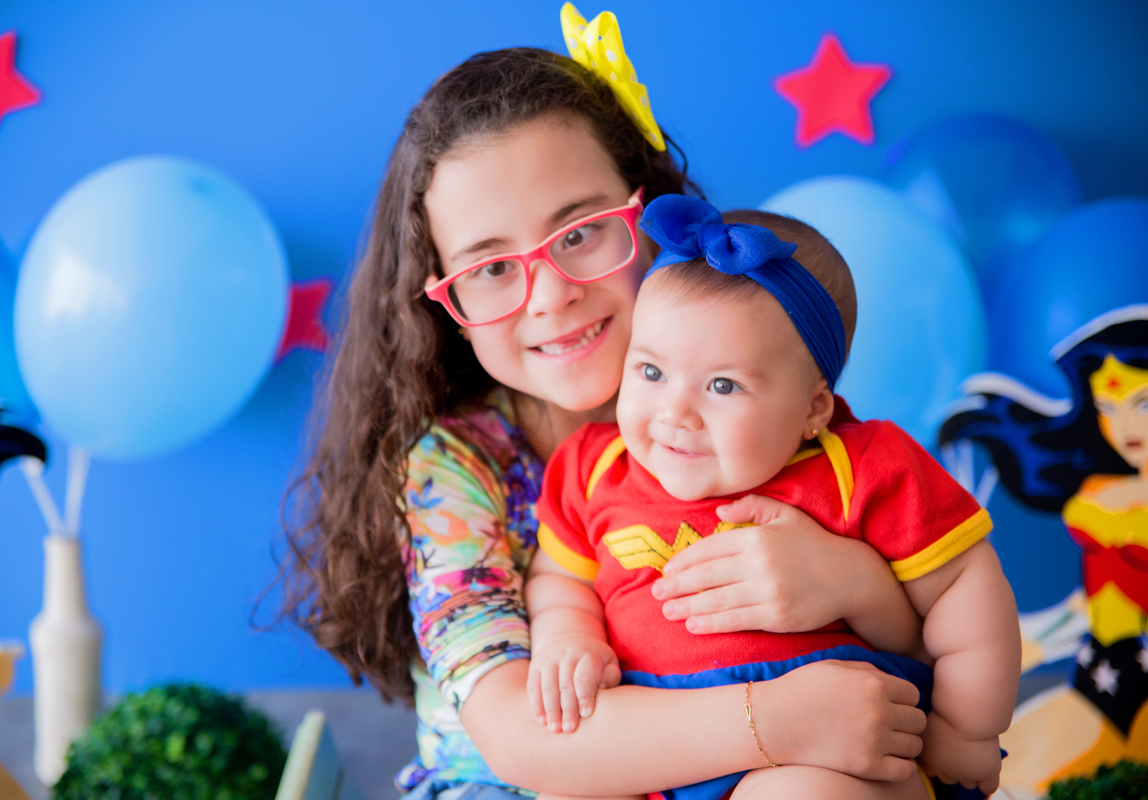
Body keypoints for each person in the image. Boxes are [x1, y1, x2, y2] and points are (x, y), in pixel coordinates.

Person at [279, 9, 931, 800]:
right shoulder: (455, 470)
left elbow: (922, 642)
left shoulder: (754, 397)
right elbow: (526, 746)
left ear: (653, 216)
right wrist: (779, 719)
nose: (550, 295)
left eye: (580, 232)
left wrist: (854, 582)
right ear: (441, 303)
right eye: (490, 269)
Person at [525, 197, 1021, 799]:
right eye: (651, 372)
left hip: (832, 745)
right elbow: (558, 574)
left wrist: (968, 729)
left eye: (723, 385)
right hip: (654, 749)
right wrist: (567, 634)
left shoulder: (859, 467)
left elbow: (965, 586)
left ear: (814, 408)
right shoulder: (595, 466)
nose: (674, 413)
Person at [939, 304, 1148, 792]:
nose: (1125, 427)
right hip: (1104, 669)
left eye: (1145, 403)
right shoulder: (1098, 497)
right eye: (1107, 408)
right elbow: (1098, 601)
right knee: (1003, 774)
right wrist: (1026, 643)